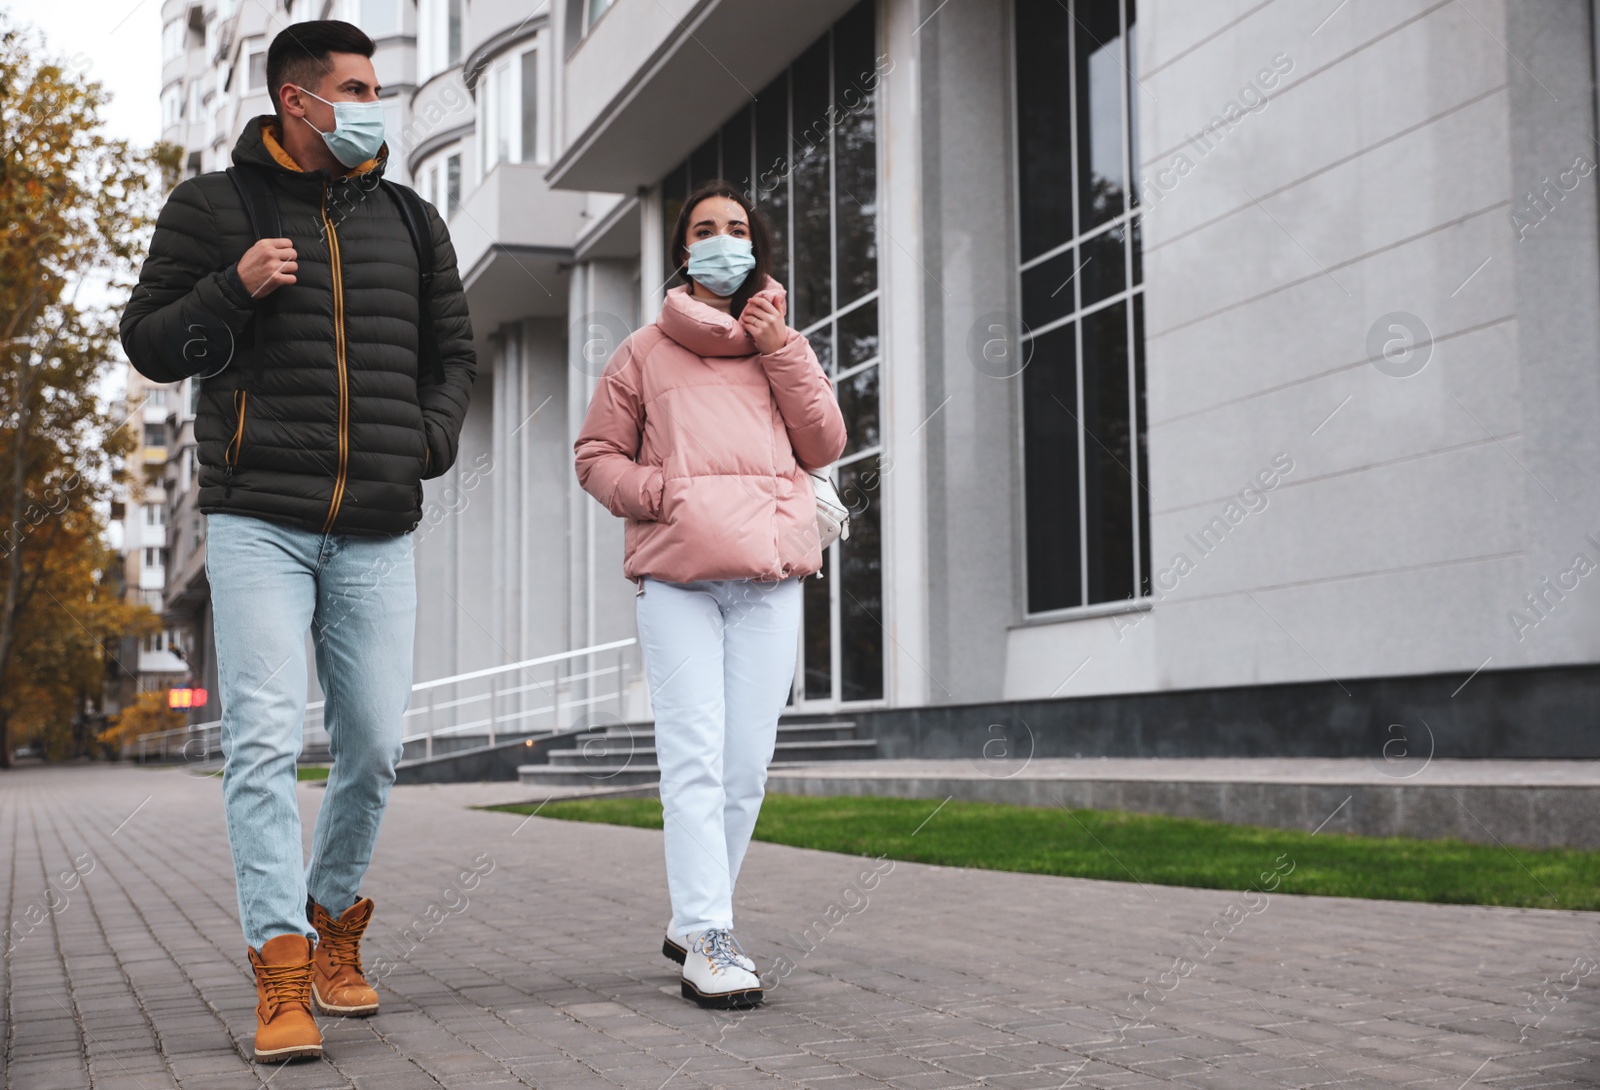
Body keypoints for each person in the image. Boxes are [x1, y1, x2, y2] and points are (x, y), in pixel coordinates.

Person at [120, 21, 476, 1063]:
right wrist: (232, 289)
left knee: (372, 744)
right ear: (298, 101)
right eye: (359, 88)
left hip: (375, 522)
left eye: (379, 88)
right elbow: (148, 345)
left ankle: (332, 923)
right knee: (267, 741)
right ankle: (279, 973)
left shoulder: (410, 220)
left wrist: (427, 440)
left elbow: (452, 352)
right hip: (254, 519)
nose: (377, 105)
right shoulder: (212, 208)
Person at [575, 180, 847, 1010]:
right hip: (679, 579)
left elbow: (826, 440)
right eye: (705, 229)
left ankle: (696, 922)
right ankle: (711, 933)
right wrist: (668, 496)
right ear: (683, 252)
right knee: (691, 760)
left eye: (737, 229)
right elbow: (595, 456)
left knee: (745, 769)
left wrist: (782, 349)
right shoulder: (642, 353)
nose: (722, 240)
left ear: (754, 246)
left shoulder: (783, 341)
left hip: (770, 579)